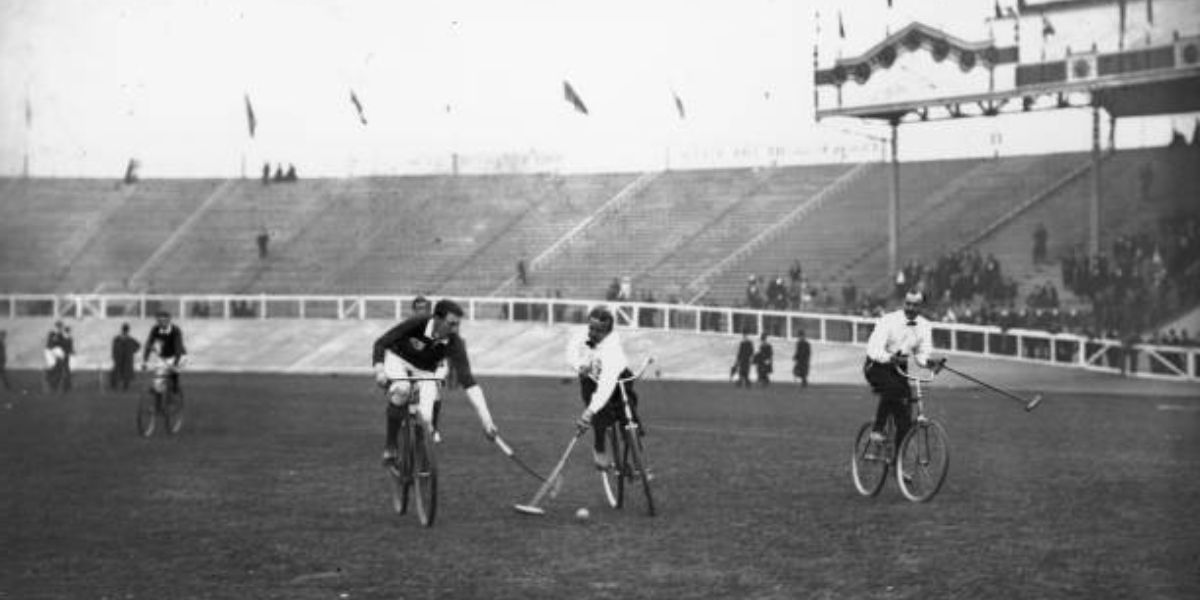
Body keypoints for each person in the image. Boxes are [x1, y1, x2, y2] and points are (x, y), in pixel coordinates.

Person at [372, 298, 498, 468]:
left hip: (425, 372)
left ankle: (417, 458)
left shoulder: (455, 342)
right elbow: (381, 343)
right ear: (437, 319)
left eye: (458, 325)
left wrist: (487, 422)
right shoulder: (418, 323)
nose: (455, 329)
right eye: (452, 324)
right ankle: (391, 446)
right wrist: (379, 370)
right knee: (402, 390)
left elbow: (469, 382)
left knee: (426, 419)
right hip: (398, 360)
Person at [863, 290, 946, 457]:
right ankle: (877, 430)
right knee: (893, 388)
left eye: (915, 305)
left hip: (901, 369)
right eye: (908, 303)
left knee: (905, 422)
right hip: (877, 365)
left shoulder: (924, 326)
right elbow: (873, 349)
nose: (911, 308)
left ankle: (897, 464)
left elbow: (923, 353)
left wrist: (930, 362)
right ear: (903, 302)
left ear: (921, 307)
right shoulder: (888, 320)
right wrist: (890, 358)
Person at [566, 306, 644, 469]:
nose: (593, 333)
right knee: (599, 415)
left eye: (599, 331)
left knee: (627, 406)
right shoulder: (583, 335)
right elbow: (571, 351)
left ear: (608, 332)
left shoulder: (612, 350)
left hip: (616, 378)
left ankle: (634, 446)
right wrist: (579, 366)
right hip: (592, 378)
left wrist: (588, 412)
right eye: (591, 328)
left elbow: (606, 386)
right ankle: (599, 445)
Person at [141, 310, 187, 395]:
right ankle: (158, 406)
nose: (161, 323)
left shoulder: (175, 330)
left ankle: (175, 385)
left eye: (164, 321)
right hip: (164, 356)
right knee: (157, 386)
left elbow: (178, 347)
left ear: (169, 320)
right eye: (159, 321)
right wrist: (145, 361)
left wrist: (175, 363)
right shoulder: (155, 329)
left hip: (179, 355)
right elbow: (148, 344)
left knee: (174, 371)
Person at [110, 323, 141, 391]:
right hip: (124, 358)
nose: (125, 331)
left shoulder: (119, 339)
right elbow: (138, 346)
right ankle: (120, 386)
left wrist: (132, 351)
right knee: (122, 372)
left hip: (123, 358)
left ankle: (119, 386)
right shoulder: (127, 339)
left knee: (121, 372)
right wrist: (133, 351)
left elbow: (114, 348)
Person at [44, 321, 69, 393]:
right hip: (49, 351)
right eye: (59, 327)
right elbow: (53, 341)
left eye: (60, 327)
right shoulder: (52, 333)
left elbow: (62, 343)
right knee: (52, 365)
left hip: (55, 350)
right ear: (56, 327)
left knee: (61, 357)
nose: (60, 328)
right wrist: (59, 335)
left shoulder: (60, 334)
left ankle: (57, 374)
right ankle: (48, 376)